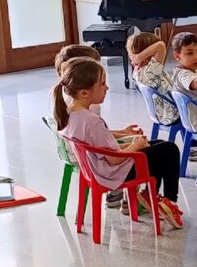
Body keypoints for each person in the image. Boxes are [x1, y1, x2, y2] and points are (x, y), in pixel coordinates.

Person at [52, 57, 183, 229]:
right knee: (170, 150)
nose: (106, 88)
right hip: (114, 173)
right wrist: (135, 145)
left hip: (97, 170)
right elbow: (114, 159)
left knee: (157, 146)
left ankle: (148, 195)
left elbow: (101, 149)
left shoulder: (71, 114)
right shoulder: (91, 121)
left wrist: (132, 143)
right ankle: (170, 201)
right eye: (102, 84)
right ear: (84, 93)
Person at [127, 31, 197, 162]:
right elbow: (161, 45)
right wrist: (139, 56)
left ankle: (192, 147)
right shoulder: (151, 70)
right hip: (171, 113)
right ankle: (194, 147)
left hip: (161, 113)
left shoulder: (137, 71)